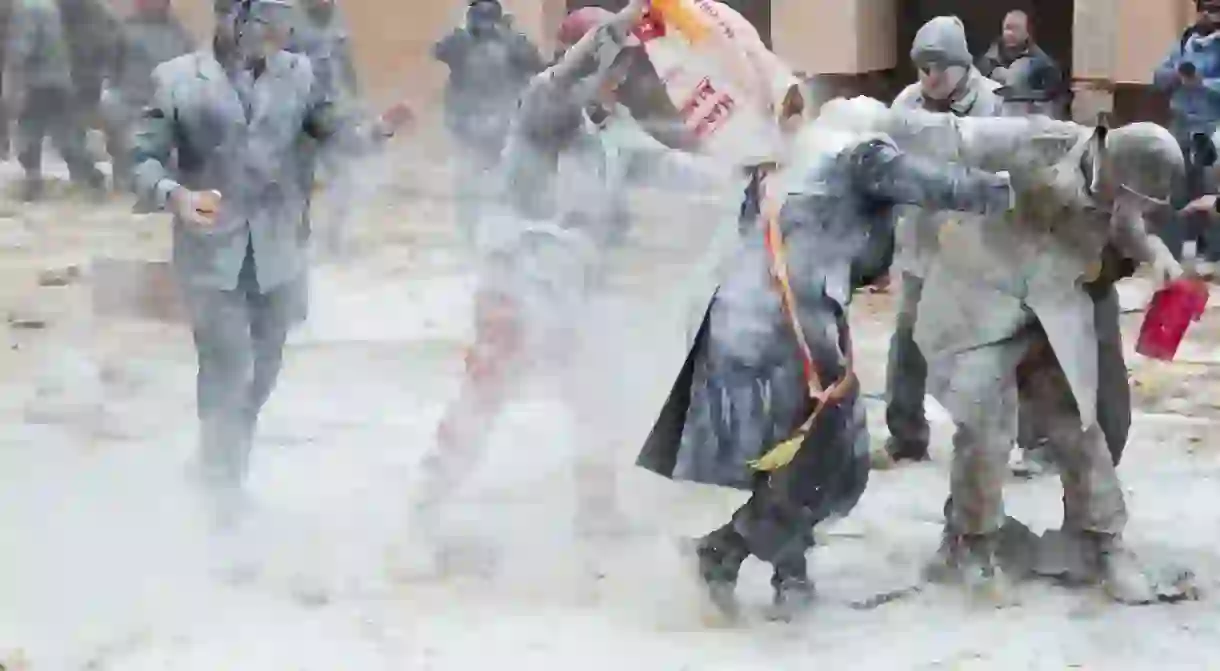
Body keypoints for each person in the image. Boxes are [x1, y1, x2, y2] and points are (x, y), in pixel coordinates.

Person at [637, 96, 1015, 622]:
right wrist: (995, 190)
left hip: (737, 320)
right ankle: (723, 551)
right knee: (834, 457)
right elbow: (929, 184)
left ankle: (789, 574)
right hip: (789, 326)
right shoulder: (861, 156)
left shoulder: (787, 163)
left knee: (790, 452)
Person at [880, 110, 1185, 603]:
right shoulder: (1036, 142)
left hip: (1051, 302)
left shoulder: (1118, 190)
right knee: (984, 426)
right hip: (984, 296)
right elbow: (944, 135)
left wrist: (1155, 254)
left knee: (1078, 424)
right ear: (1109, 161)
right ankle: (969, 543)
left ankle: (1100, 539)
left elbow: (1126, 224)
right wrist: (865, 128)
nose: (1130, 207)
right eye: (1130, 195)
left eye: (1140, 203)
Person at [130, 0, 413, 526]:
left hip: (279, 249)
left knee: (262, 373)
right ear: (232, 17)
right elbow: (142, 158)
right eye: (268, 22)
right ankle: (221, 492)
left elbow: (328, 128)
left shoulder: (298, 73)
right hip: (209, 252)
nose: (279, 35)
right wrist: (175, 195)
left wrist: (374, 131)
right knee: (228, 366)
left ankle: (219, 461)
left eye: (283, 25)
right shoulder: (176, 80)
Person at [409, 4, 650, 562]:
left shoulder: (612, 131)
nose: (621, 80)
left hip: (569, 292)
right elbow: (562, 80)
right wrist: (620, 25)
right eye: (613, 67)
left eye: (624, 70)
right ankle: (428, 503)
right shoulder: (542, 108)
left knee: (596, 396)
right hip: (515, 286)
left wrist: (747, 167)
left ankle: (596, 510)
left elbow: (670, 167)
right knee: (484, 397)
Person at [882, 16, 1005, 465]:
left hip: (977, 248)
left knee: (990, 346)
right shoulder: (907, 102)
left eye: (939, 67)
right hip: (921, 241)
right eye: (922, 68)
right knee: (909, 338)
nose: (929, 78)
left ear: (962, 66)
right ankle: (906, 434)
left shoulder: (993, 104)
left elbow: (1004, 175)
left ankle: (996, 441)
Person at [434, 0, 544, 244]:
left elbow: (536, 65)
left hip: (489, 123)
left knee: (483, 182)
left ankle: (483, 234)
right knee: (485, 182)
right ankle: (486, 234)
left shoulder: (467, 43)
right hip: (482, 124)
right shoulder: (480, 43)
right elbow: (538, 65)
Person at [6, 0, 105, 200]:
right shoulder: (46, 6)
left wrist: (13, 77)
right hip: (58, 78)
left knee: (29, 133)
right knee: (65, 135)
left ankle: (33, 183)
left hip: (37, 81)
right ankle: (90, 177)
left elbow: (24, 46)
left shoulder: (28, 8)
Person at [286, 0, 362, 256]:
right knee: (298, 181)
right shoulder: (290, 20)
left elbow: (346, 63)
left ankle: (334, 235)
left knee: (343, 175)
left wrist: (356, 99)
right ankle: (298, 236)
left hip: (333, 112)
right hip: (298, 113)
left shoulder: (337, 18)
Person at [100, 0, 193, 191]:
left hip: (166, 107)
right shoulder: (124, 31)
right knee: (109, 103)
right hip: (130, 103)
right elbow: (111, 68)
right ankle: (124, 173)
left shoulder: (180, 35)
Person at [1154, 0, 1220, 267]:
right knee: (1175, 187)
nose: (1208, 13)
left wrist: (1202, 83)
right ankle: (1171, 251)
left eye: (1215, 8)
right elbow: (1158, 76)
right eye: (1204, 7)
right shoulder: (1185, 42)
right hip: (1179, 124)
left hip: (1211, 127)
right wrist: (1176, 77)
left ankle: (1213, 253)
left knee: (1210, 189)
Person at [977, 10, 1064, 112]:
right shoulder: (986, 61)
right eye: (1007, 28)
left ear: (1027, 32)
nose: (1010, 33)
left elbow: (1052, 97)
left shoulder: (1044, 63)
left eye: (1016, 29)